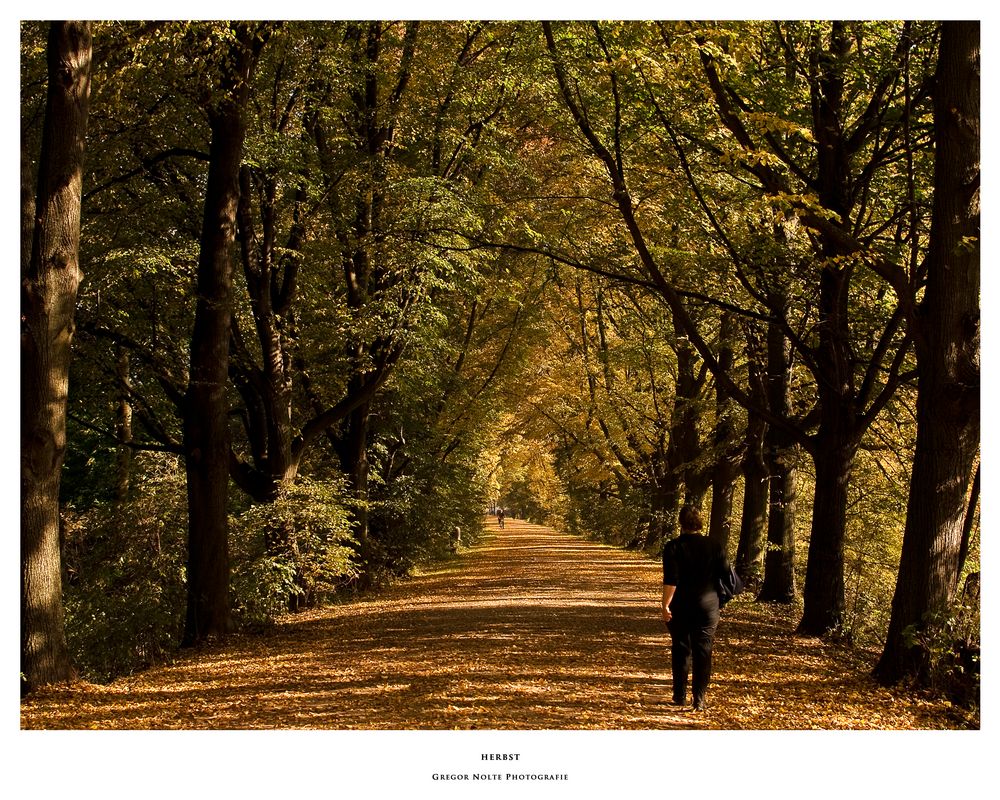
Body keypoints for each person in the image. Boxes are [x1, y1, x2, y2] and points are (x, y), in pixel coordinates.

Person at [661, 504, 727, 712]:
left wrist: (665, 605)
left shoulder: (672, 547)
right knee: (703, 649)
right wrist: (719, 601)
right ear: (700, 522)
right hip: (708, 606)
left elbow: (671, 580)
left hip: (681, 606)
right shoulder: (714, 546)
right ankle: (699, 699)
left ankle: (679, 695)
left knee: (681, 648)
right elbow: (726, 576)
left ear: (681, 522)